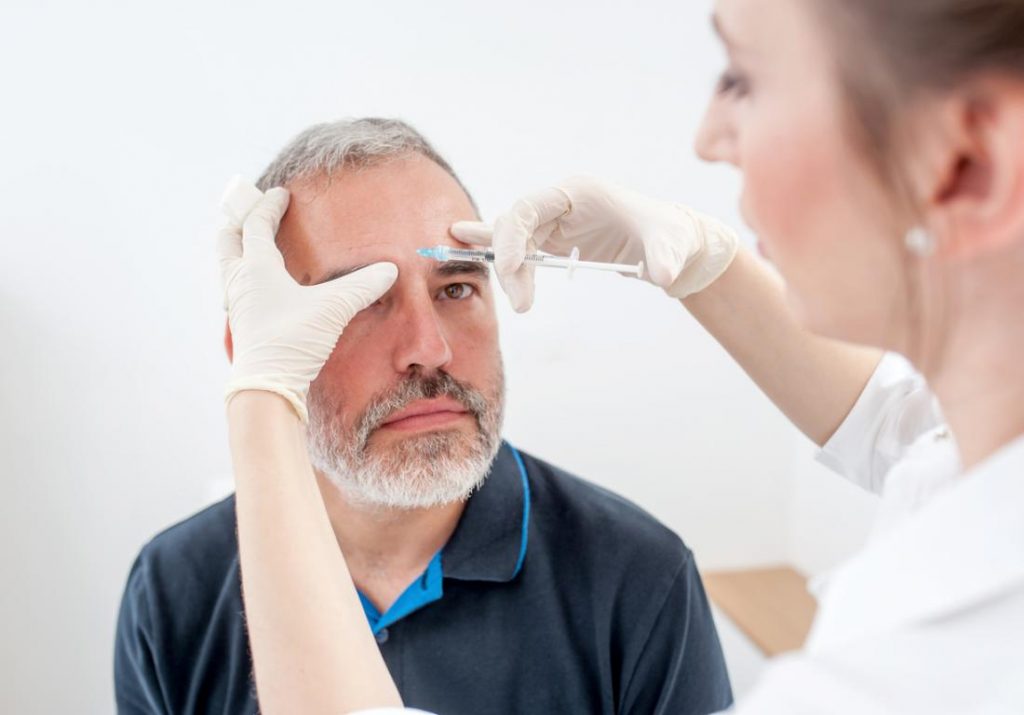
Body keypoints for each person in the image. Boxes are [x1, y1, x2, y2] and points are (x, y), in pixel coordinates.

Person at [219, 0, 1024, 712]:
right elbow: (908, 429)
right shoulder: (178, 584)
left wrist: (258, 396)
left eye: (744, 77)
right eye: (358, 301)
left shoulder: (651, 583)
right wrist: (709, 266)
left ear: (969, 163)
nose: (708, 137)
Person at [114, 119, 734, 715]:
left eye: (456, 289)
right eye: (361, 302)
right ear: (256, 351)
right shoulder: (173, 588)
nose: (429, 349)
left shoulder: (639, 577)